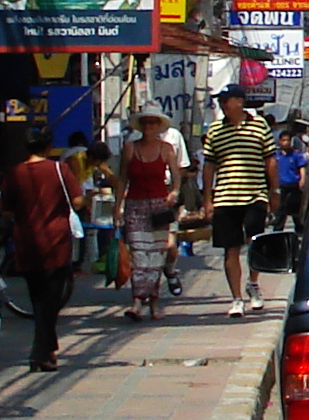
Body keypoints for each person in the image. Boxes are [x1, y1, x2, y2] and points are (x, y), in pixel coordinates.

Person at [198, 84, 280, 316]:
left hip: (255, 194)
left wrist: (275, 191)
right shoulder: (215, 130)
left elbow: (270, 160)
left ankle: (253, 284)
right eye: (221, 102)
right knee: (230, 249)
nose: (223, 105)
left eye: (227, 101)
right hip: (225, 197)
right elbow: (209, 165)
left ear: (239, 102)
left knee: (256, 243)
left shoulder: (259, 126)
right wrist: (207, 198)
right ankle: (236, 298)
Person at [4, 130, 82, 372]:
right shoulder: (60, 170)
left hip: (26, 242)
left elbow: (6, 210)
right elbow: (78, 201)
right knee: (50, 300)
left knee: (38, 298)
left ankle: (46, 349)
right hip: (56, 241)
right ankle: (40, 352)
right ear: (49, 146)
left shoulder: (14, 173)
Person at [119, 106, 185, 321]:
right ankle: (137, 301)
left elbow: (177, 176)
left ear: (159, 126)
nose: (149, 127)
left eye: (153, 123)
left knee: (156, 257)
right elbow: (122, 179)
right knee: (139, 257)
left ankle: (154, 301)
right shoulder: (130, 148)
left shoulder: (167, 149)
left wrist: (174, 192)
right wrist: (117, 206)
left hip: (159, 207)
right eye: (145, 123)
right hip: (135, 206)